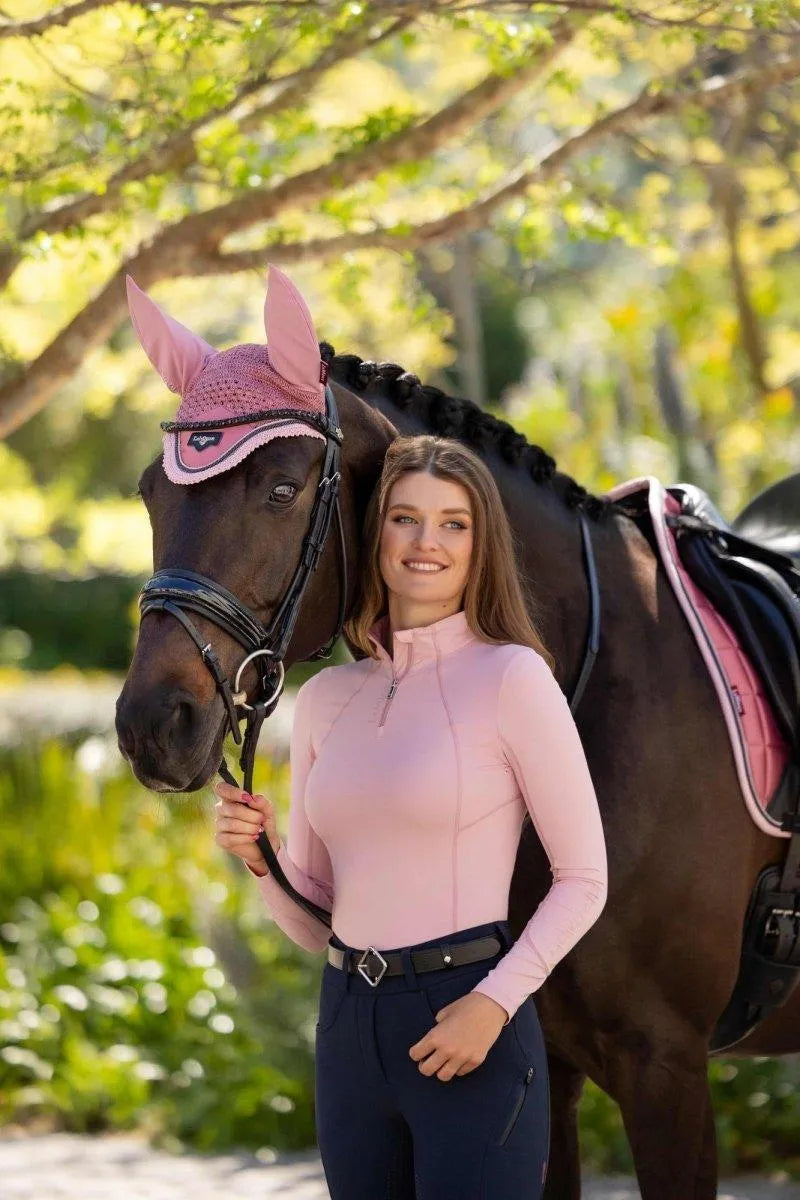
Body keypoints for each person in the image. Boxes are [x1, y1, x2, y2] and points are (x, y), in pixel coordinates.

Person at [214, 433, 608, 1199]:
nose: (428, 541)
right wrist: (263, 859)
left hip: (468, 1015)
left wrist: (494, 1003)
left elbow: (584, 878)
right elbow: (317, 920)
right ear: (377, 533)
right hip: (347, 1025)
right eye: (406, 518)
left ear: (480, 546)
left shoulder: (513, 677)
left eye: (453, 523)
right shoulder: (326, 700)